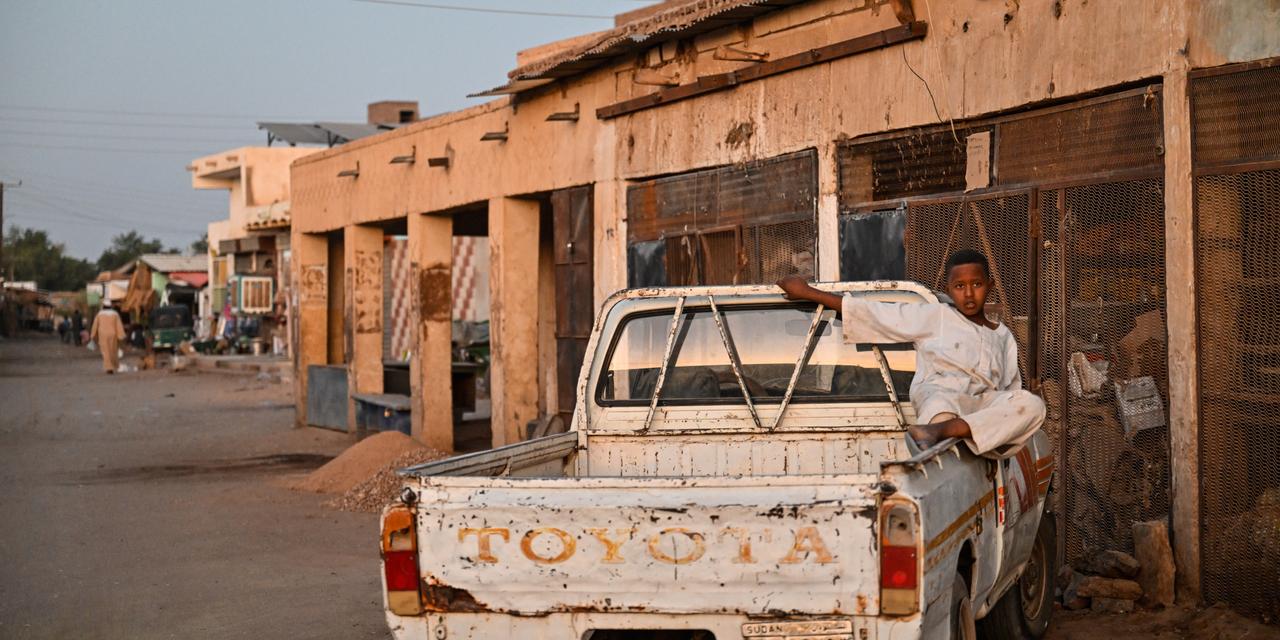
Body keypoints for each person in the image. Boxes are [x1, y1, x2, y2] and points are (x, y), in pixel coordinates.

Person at [776, 249, 1045, 457]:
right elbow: (879, 315)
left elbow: (1010, 393)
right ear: (948, 288)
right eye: (959, 286)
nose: (969, 294)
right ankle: (943, 428)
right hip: (944, 400)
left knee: (1032, 405)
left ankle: (947, 432)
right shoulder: (937, 316)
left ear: (991, 284)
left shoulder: (1003, 335)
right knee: (938, 405)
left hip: (981, 409)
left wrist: (1000, 416)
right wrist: (809, 292)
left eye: (976, 284)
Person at [89, 300, 125, 374]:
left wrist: (93, 335)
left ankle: (109, 367)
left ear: (103, 306)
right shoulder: (115, 314)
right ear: (110, 306)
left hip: (103, 334)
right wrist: (121, 336)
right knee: (113, 350)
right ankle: (114, 365)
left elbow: (95, 325)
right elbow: (119, 326)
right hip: (113, 334)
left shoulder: (99, 314)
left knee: (106, 351)